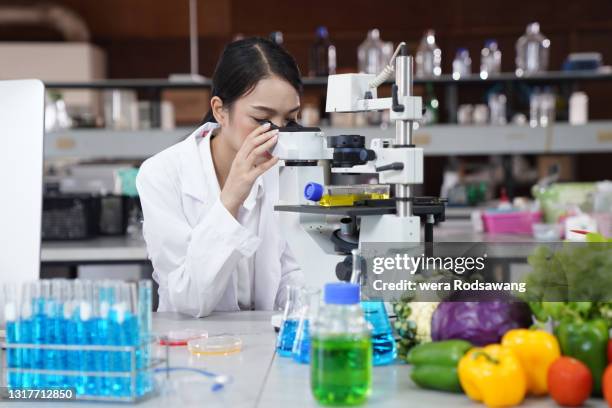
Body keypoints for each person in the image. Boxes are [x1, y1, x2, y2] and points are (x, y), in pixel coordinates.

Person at [136, 37, 304, 317]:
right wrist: (231, 198)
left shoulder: (288, 168)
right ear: (219, 110)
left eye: (289, 120)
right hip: (191, 343)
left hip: (267, 341)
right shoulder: (161, 174)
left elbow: (293, 272)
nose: (276, 134)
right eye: (262, 120)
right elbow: (188, 299)